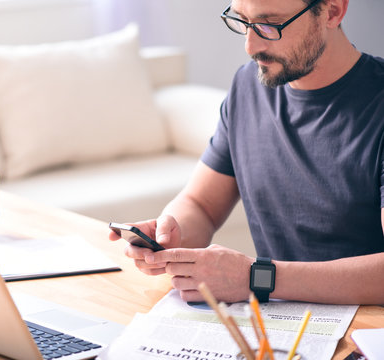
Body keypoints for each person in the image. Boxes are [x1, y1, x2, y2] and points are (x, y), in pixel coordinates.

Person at [109, 0, 384, 305]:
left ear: (332, 11)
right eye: (242, 22)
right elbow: (201, 203)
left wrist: (256, 277)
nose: (250, 46)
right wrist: (170, 234)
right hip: (276, 323)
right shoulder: (248, 86)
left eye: (269, 25)